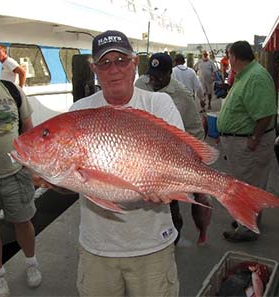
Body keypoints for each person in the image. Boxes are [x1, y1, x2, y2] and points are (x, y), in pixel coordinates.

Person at [69, 30, 182, 297]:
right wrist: (51, 176)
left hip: (153, 247)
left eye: (121, 60)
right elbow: (73, 185)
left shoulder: (159, 104)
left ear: (134, 64)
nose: (114, 70)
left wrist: (169, 188)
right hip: (97, 250)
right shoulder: (78, 113)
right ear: (94, 69)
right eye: (105, 63)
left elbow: (185, 159)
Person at [135, 52, 206, 244]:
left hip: (180, 149)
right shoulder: (141, 84)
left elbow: (188, 133)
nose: (154, 81)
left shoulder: (181, 96)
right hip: (146, 151)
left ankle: (178, 236)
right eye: (151, 75)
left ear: (170, 73)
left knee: (177, 199)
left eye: (159, 76)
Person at [217, 40, 277, 242]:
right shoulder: (245, 75)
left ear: (234, 56)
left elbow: (265, 114)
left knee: (248, 185)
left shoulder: (256, 77)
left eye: (229, 55)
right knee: (245, 183)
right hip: (238, 143)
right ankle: (247, 219)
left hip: (247, 143)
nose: (228, 58)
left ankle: (247, 228)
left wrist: (254, 138)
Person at [0, 60, 42, 297]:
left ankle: (31, 263)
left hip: (16, 173)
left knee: (23, 222)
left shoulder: (12, 91)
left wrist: (33, 168)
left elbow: (30, 130)